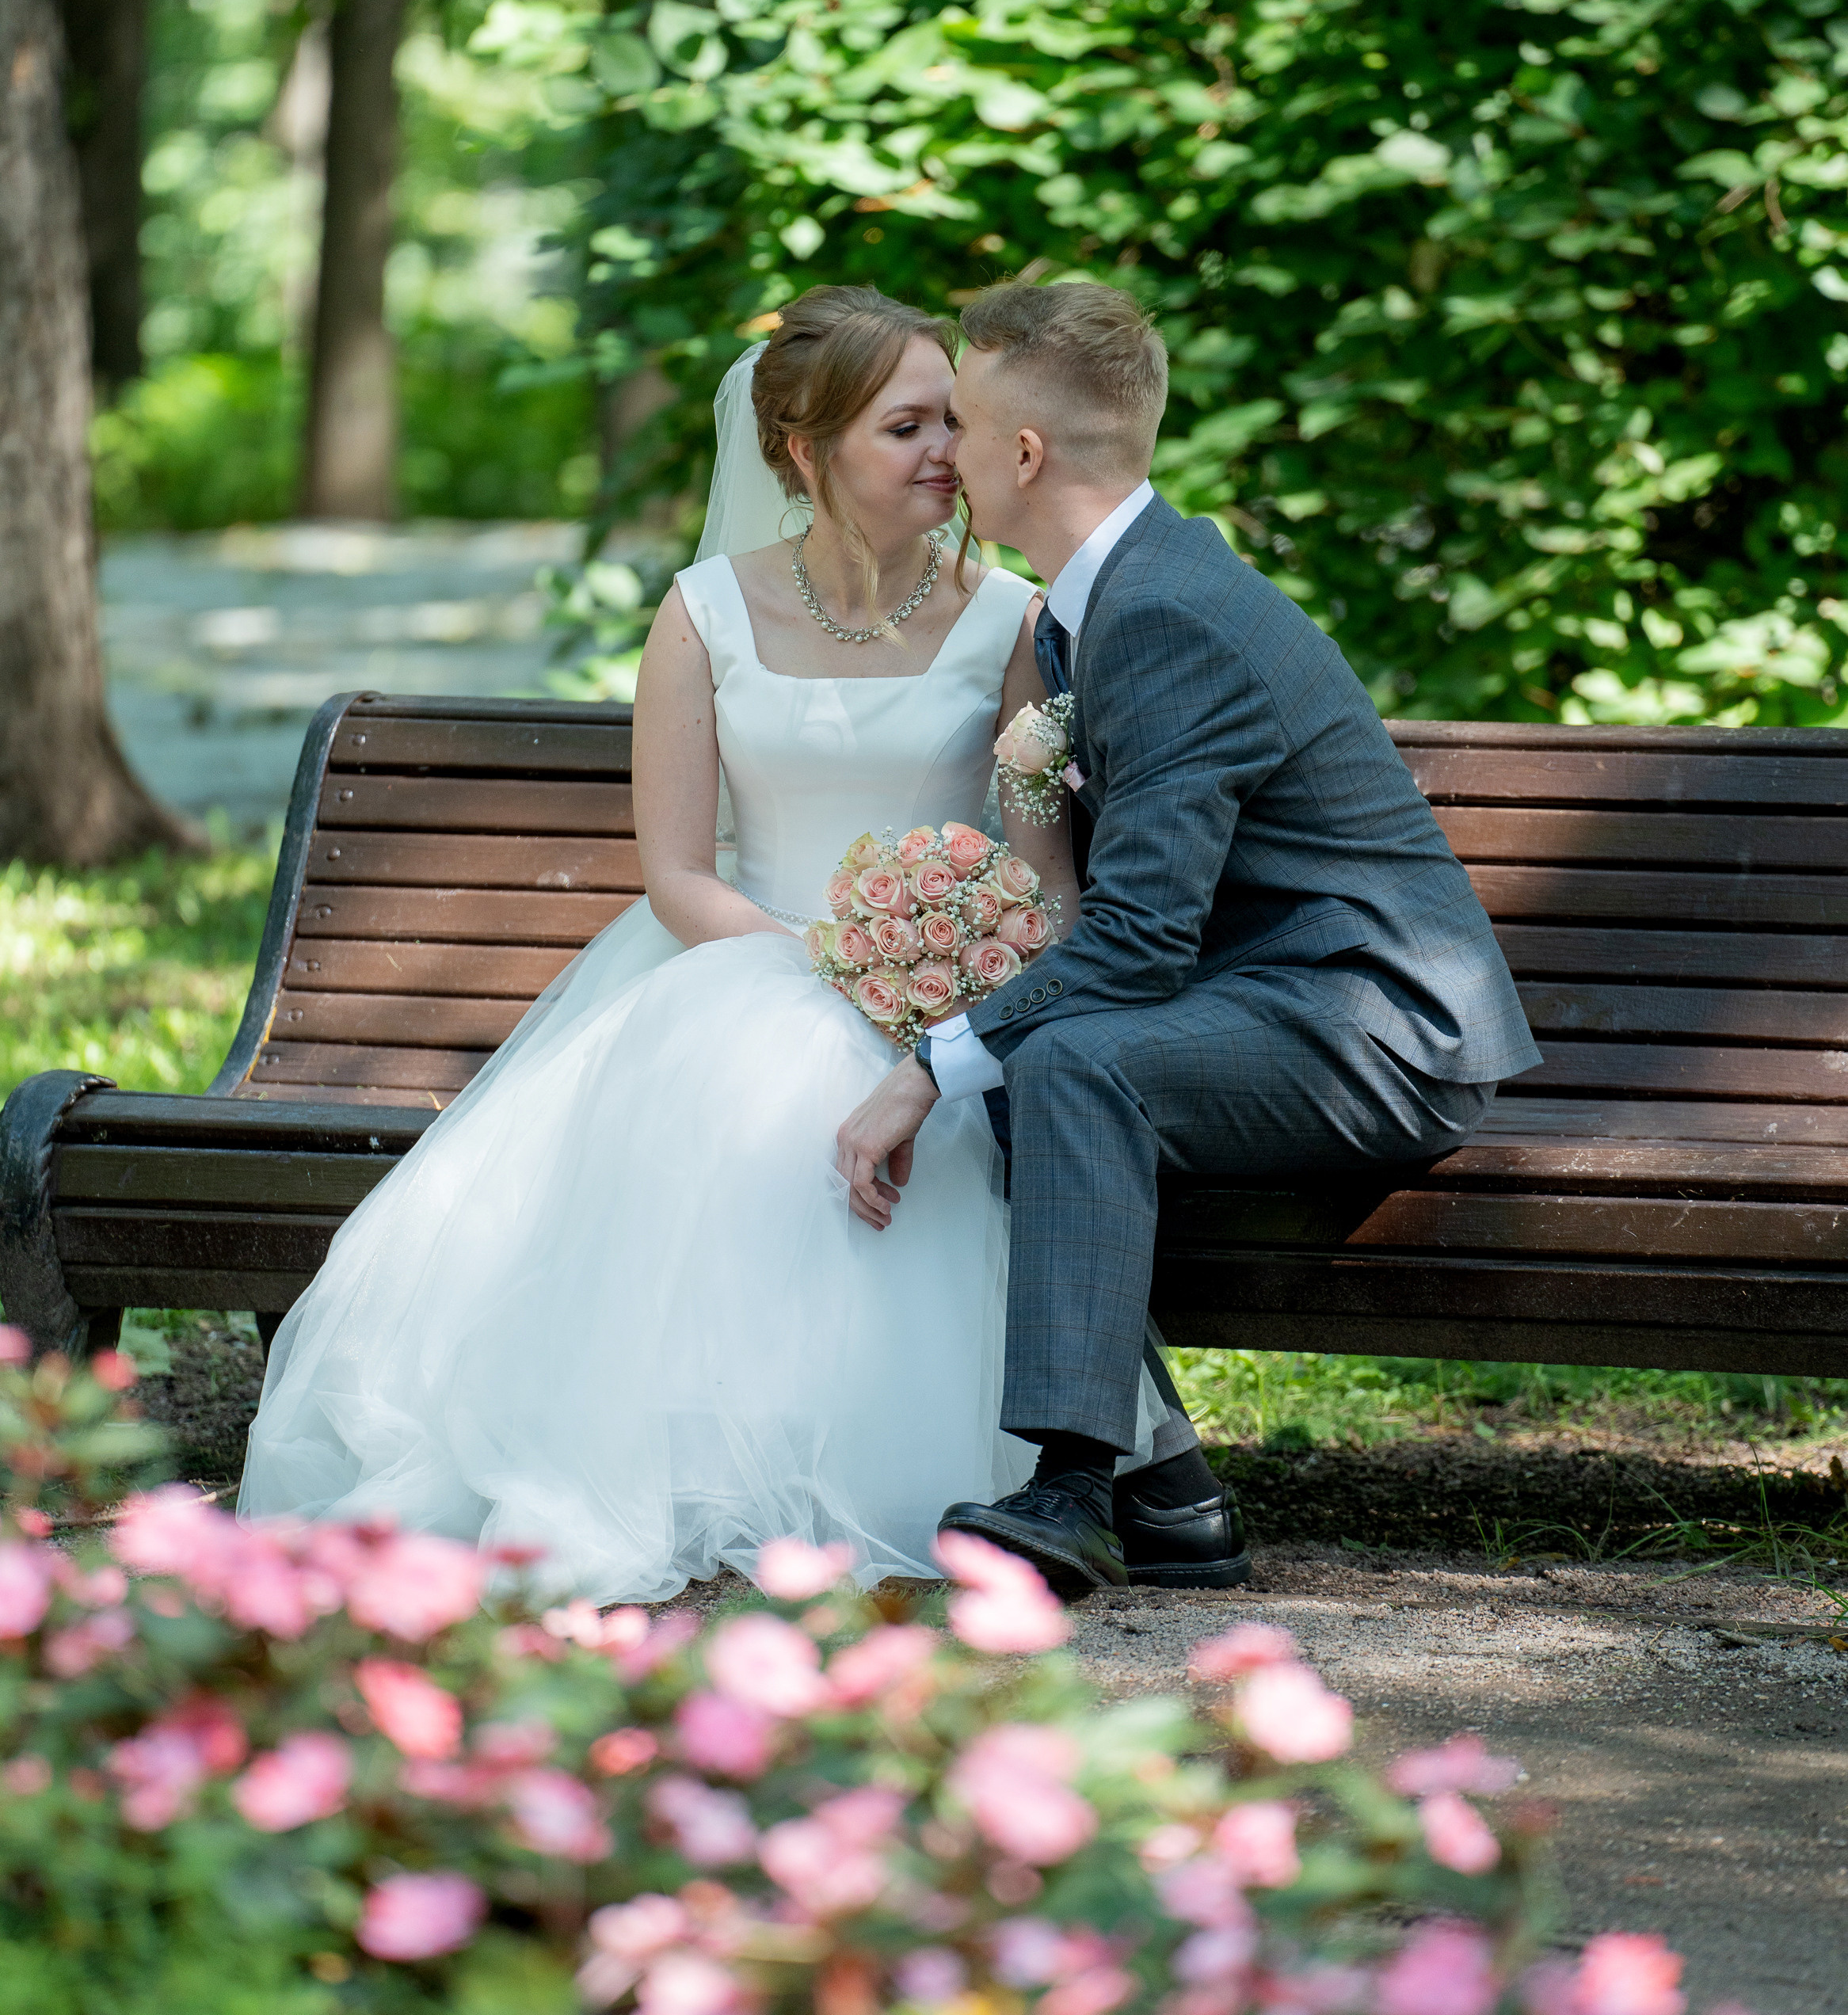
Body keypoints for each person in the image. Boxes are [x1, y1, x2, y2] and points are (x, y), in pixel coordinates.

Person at [237, 284, 1228, 1601]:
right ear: (802, 452)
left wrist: (946, 985)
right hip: (740, 955)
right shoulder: (702, 612)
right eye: (906, 428)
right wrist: (839, 968)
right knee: (762, 1066)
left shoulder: (1011, 622)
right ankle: (691, 1448)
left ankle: (968, 1460)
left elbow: (1047, 880)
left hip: (942, 991)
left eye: (952, 420)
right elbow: (677, 878)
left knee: (935, 1093)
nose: (948, 451)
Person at [836, 276, 1541, 1602]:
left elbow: (1141, 943)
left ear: (1024, 454)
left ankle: (1072, 1489)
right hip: (1273, 999)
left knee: (1066, 1063)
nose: (948, 453)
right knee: (1038, 1070)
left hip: (1377, 1027)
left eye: (964, 426)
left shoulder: (1161, 612)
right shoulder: (1118, 588)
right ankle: (1169, 1496)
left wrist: (927, 1063)